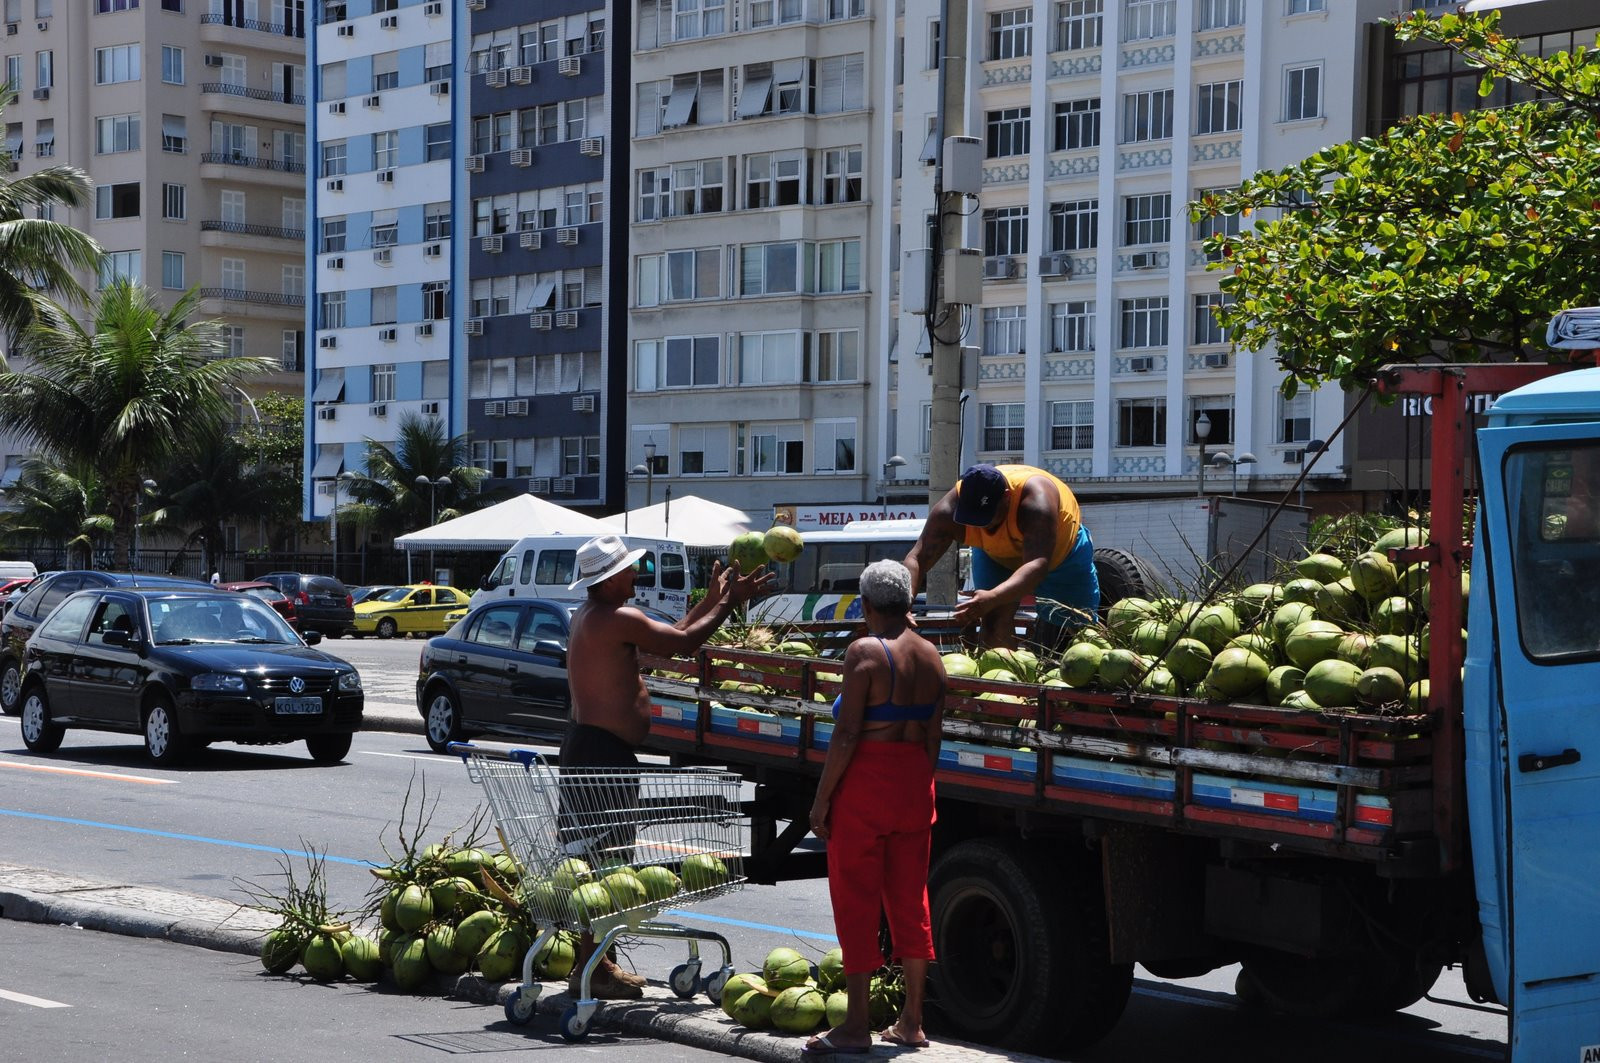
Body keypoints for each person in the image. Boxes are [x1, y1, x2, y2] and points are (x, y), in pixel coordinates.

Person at [561, 533, 775, 1000]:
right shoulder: (615, 618)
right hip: (602, 756)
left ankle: (594, 963)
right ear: (612, 578)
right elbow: (682, 645)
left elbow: (671, 637)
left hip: (591, 748)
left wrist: (716, 599)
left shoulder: (596, 617)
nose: (637, 575)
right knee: (606, 864)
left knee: (595, 863)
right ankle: (594, 968)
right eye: (631, 569)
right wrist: (729, 603)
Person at [805, 560, 944, 1056]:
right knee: (911, 902)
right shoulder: (932, 656)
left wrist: (822, 802)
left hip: (866, 785)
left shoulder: (864, 651)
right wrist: (917, 786)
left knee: (857, 901)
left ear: (865, 606)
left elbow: (846, 735)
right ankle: (912, 1022)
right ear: (907, 603)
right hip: (913, 786)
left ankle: (856, 1025)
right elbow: (933, 737)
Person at [903, 463, 1098, 649]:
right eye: (971, 518)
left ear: (1006, 498)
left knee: (1080, 628)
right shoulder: (949, 510)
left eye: (985, 518)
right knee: (993, 620)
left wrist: (993, 596)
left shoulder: (1037, 502)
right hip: (995, 556)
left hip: (1061, 555)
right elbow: (917, 558)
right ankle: (1000, 677)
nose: (979, 525)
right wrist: (903, 601)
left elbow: (1037, 565)